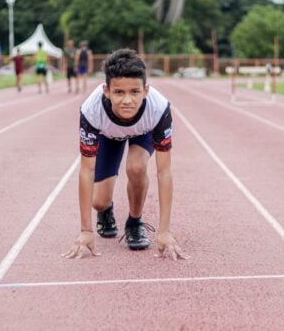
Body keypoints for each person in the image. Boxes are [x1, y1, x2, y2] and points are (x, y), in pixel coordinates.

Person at [62, 49, 190, 261]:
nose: (127, 100)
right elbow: (86, 169)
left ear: (146, 91)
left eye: (134, 92)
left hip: (144, 132)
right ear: (106, 91)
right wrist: (86, 230)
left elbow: (164, 171)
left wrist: (164, 231)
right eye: (119, 92)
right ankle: (106, 211)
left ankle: (134, 222)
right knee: (99, 201)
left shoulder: (158, 108)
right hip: (108, 135)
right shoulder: (91, 110)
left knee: (136, 167)